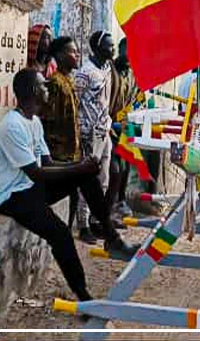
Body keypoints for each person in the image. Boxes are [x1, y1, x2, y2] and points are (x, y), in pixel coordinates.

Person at [0, 68, 139, 301]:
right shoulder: (12, 126)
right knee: (60, 234)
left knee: (86, 176)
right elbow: (37, 173)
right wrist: (79, 167)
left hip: (30, 187)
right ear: (32, 91)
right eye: (43, 86)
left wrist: (82, 167)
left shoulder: (34, 122)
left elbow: (48, 163)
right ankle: (83, 295)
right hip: (12, 197)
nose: (48, 89)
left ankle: (112, 238)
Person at [73, 31, 117, 244]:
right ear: (98, 48)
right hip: (89, 134)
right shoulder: (85, 73)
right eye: (109, 46)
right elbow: (76, 102)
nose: (113, 49)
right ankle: (83, 225)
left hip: (104, 131)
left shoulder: (107, 70)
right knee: (89, 183)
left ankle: (95, 219)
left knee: (104, 181)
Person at [107, 37, 138, 220]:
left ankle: (119, 202)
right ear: (120, 49)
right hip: (107, 125)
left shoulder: (130, 74)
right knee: (114, 169)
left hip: (122, 124)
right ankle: (107, 210)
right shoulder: (110, 71)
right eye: (127, 50)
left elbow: (130, 100)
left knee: (125, 166)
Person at [41, 36, 81, 164]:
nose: (77, 55)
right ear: (60, 55)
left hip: (71, 154)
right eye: (73, 51)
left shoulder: (68, 80)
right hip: (58, 155)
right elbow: (49, 120)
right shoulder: (55, 82)